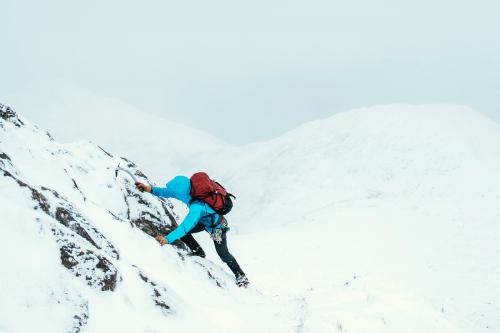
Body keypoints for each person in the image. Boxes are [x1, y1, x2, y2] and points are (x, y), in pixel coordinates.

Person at [135, 176, 249, 287]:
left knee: (223, 254)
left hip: (217, 227)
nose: (173, 192)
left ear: (183, 190)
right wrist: (149, 189)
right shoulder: (186, 191)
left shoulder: (197, 206)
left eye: (175, 190)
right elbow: (168, 192)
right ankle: (199, 252)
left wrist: (167, 239)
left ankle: (241, 276)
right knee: (185, 234)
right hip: (203, 220)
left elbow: (185, 226)